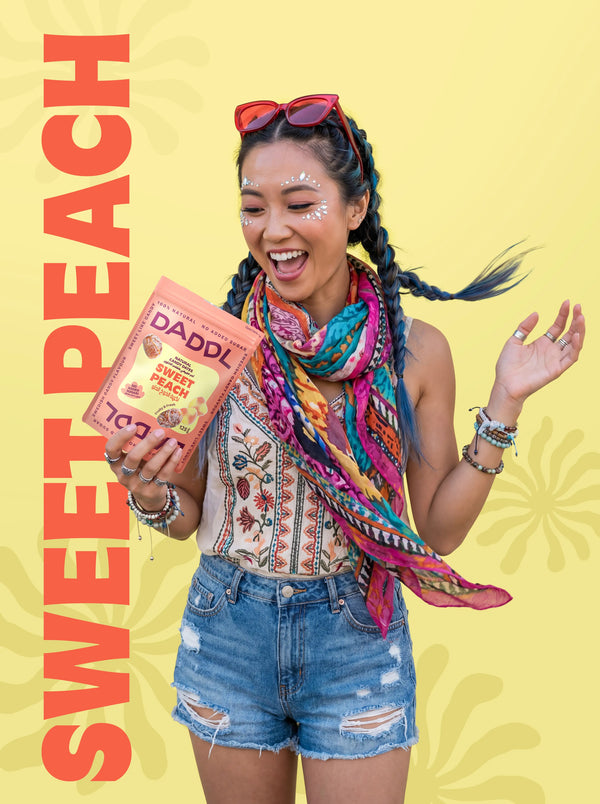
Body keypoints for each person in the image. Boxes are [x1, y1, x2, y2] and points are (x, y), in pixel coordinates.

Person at [104, 94, 585, 804]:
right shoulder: (209, 345)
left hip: (355, 634)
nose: (274, 231)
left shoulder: (416, 352)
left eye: (300, 203)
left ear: (356, 208)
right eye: (253, 207)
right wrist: (148, 492)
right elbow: (186, 516)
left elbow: (439, 530)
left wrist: (505, 403)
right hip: (228, 626)